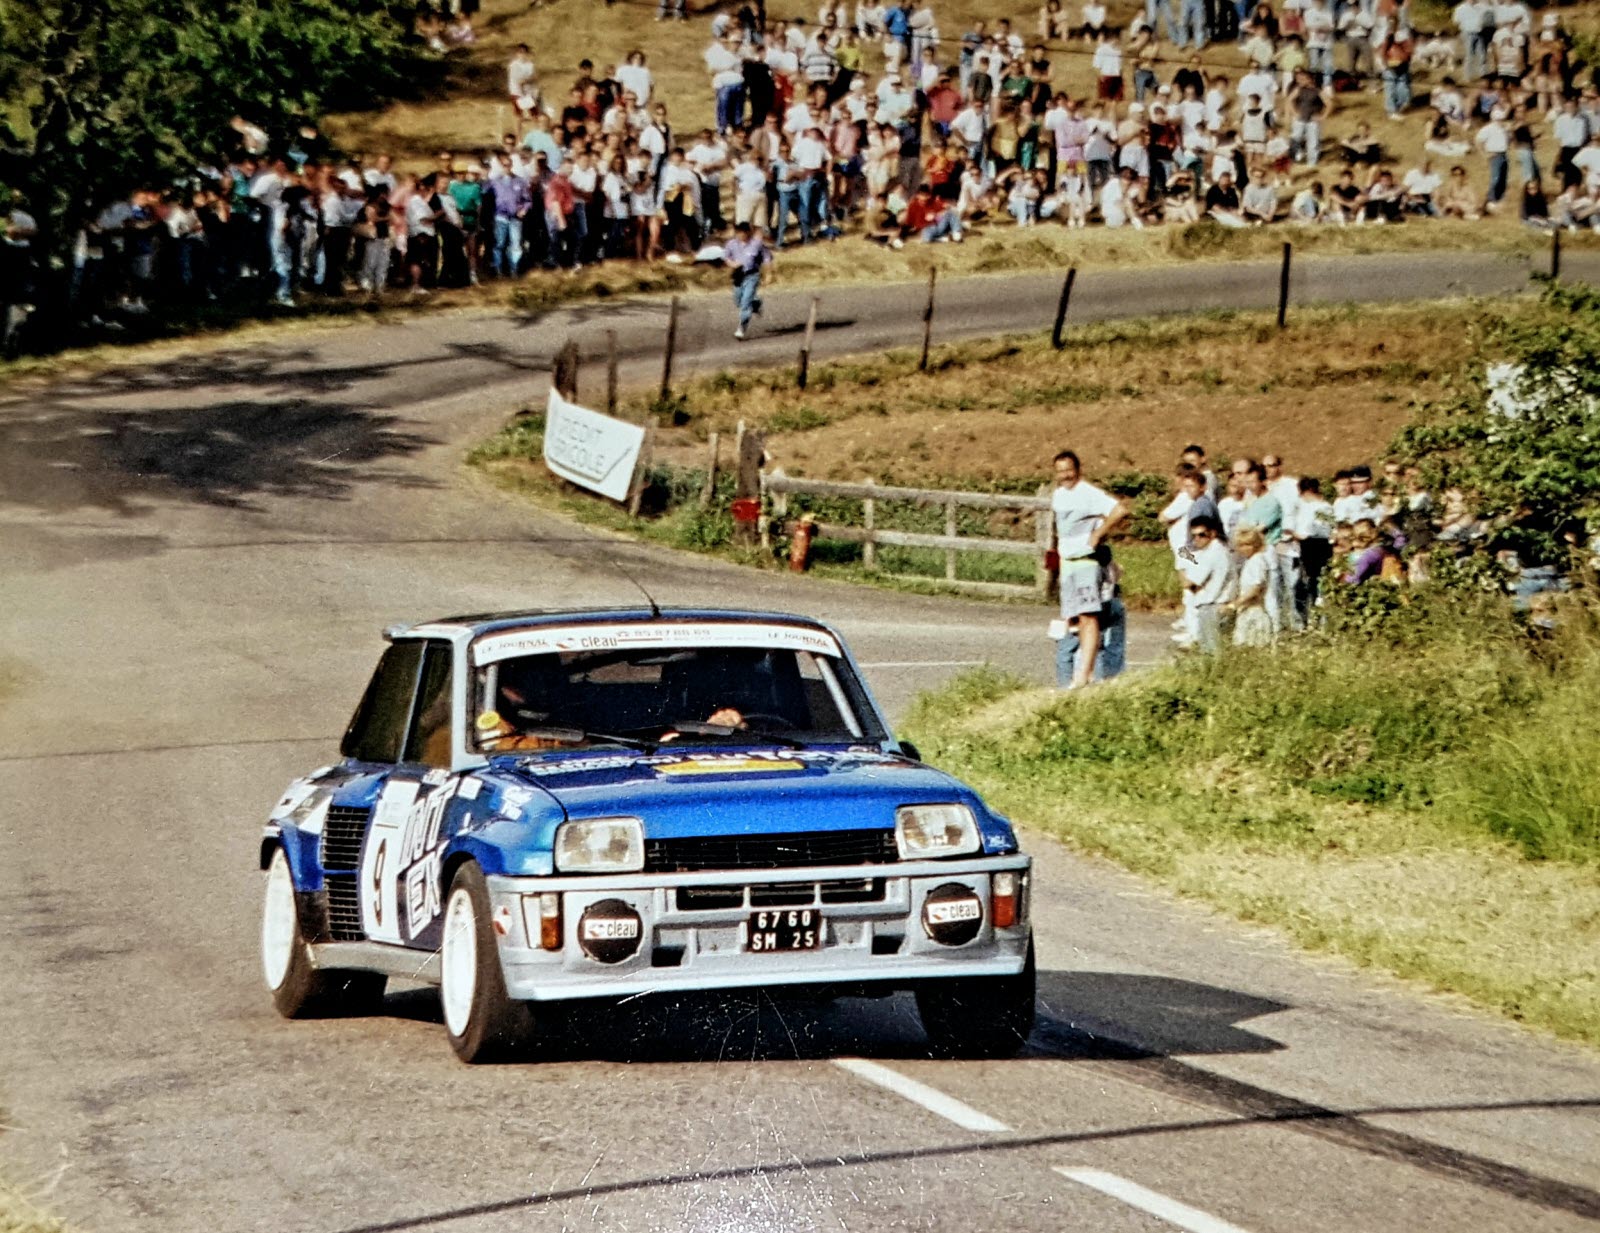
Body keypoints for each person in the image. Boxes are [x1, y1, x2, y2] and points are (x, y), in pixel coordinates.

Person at [1046, 449, 1131, 688]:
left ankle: (1084, 674)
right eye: (1060, 471)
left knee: (1088, 616)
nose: (1065, 475)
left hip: (1085, 561)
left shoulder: (1088, 493)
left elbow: (1119, 510)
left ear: (1078, 470)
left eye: (1068, 470)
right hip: (1068, 562)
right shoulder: (1059, 495)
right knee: (1075, 619)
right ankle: (1079, 674)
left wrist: (1098, 534)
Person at [1177, 514, 1233, 654]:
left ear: (1212, 533)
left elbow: (1188, 583)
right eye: (1193, 536)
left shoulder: (1213, 553)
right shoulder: (1216, 550)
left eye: (1201, 535)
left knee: (1211, 651)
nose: (1197, 539)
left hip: (1212, 606)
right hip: (1214, 604)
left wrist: (1181, 568)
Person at [1226, 524, 1274, 645]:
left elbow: (1255, 588)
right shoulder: (1250, 561)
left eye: (1248, 545)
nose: (1244, 549)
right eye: (1241, 545)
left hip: (1255, 610)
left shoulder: (1258, 561)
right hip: (1246, 610)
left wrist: (1235, 604)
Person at [723, 221, 772, 340]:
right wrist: (732, 264)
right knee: (738, 300)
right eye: (738, 233)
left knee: (745, 303)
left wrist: (768, 274)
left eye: (743, 233)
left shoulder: (756, 244)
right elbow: (725, 257)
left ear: (748, 233)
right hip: (738, 276)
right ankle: (755, 304)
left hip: (752, 275)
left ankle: (741, 328)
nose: (741, 235)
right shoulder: (731, 244)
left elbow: (767, 258)